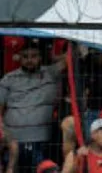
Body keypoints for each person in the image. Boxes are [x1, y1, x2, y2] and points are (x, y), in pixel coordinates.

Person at [0, 42, 65, 172]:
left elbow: (69, 59)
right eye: (25, 57)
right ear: (19, 58)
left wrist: (54, 56)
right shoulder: (9, 78)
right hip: (13, 141)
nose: (29, 60)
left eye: (34, 56)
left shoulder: (51, 73)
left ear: (41, 57)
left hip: (42, 140)